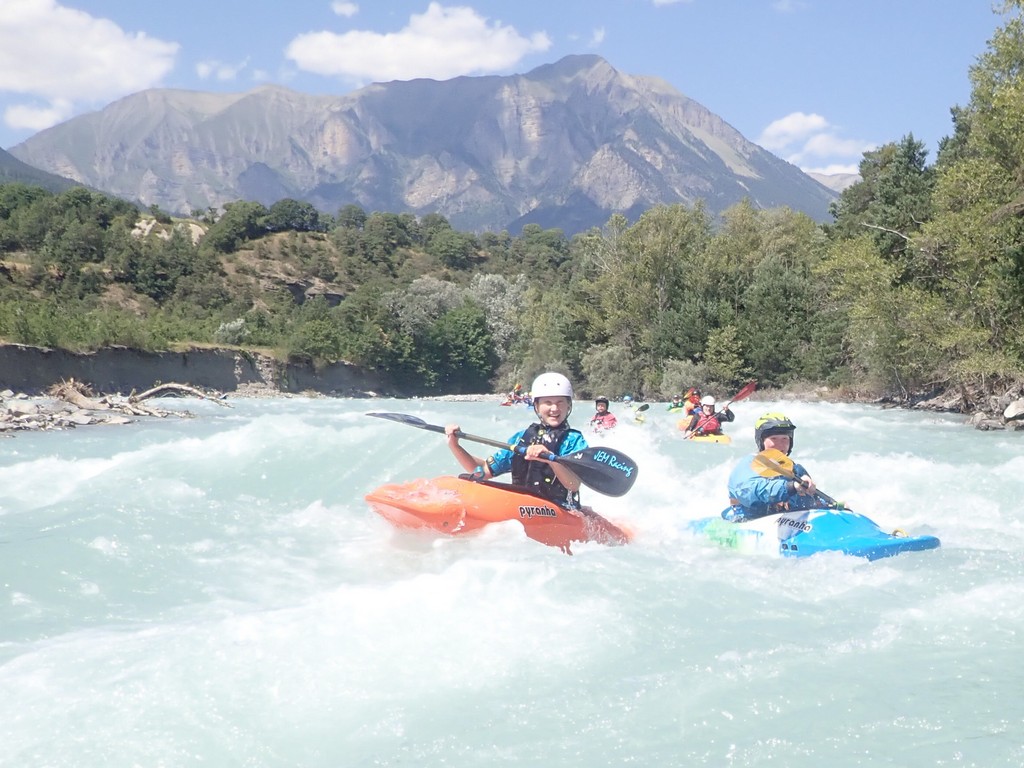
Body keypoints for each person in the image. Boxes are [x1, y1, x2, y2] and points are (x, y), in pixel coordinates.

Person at [446, 371, 587, 508]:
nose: (554, 408)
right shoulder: (521, 438)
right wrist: (455, 446)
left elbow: (573, 484)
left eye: (560, 402)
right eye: (548, 402)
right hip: (523, 507)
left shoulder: (574, 441)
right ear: (536, 406)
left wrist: (549, 458)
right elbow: (481, 471)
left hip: (560, 510)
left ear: (568, 405)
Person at [722, 412, 818, 522]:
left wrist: (836, 507)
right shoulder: (748, 465)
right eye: (774, 438)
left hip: (786, 524)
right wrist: (790, 487)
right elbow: (749, 492)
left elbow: (813, 502)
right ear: (761, 441)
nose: (780, 445)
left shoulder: (795, 469)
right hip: (746, 522)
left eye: (785, 439)